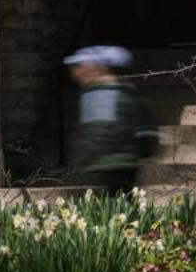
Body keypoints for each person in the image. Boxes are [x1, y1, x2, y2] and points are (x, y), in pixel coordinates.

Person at [65, 45, 157, 194]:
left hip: (111, 164)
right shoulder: (98, 92)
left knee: (114, 204)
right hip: (106, 163)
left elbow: (102, 130)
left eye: (80, 66)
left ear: (96, 68)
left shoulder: (106, 92)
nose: (75, 73)